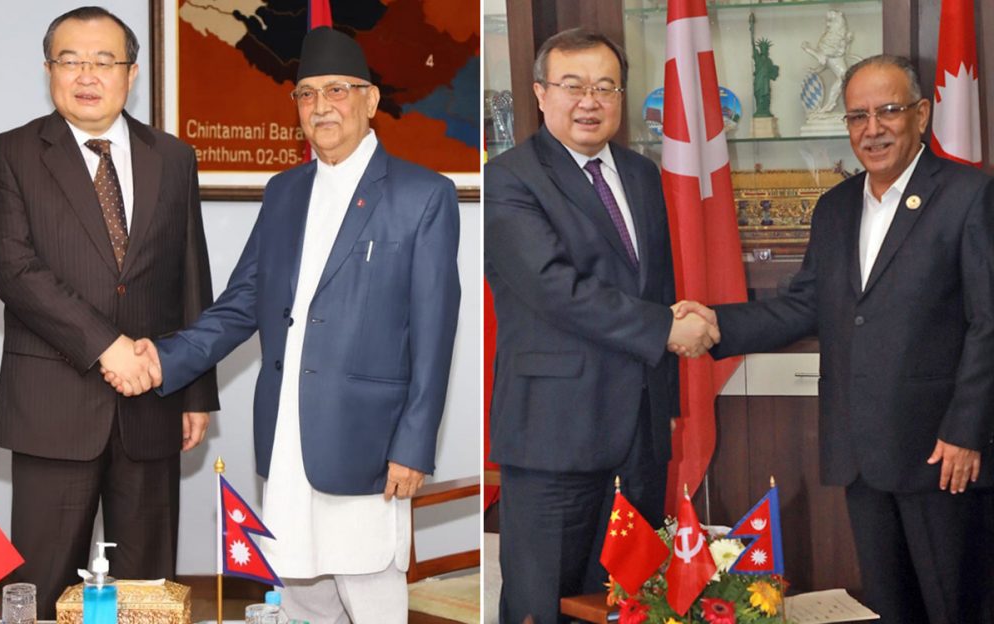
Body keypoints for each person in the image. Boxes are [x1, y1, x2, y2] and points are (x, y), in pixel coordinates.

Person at [107, 27, 460, 624]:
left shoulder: (422, 195)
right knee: (299, 591)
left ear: (371, 101)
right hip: (288, 433)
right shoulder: (284, 191)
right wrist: (164, 359)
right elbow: (242, 302)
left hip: (368, 441)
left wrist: (414, 445)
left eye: (338, 91)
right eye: (306, 94)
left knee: (369, 587)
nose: (321, 106)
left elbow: (434, 332)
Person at [676, 54, 994, 623]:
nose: (872, 129)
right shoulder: (836, 207)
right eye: (857, 116)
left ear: (921, 114)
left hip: (942, 453)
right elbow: (805, 305)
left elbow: (988, 322)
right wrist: (716, 324)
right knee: (890, 604)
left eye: (888, 111)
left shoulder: (970, 195)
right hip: (860, 452)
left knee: (956, 605)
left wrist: (965, 432)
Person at [0, 6, 218, 618]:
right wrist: (108, 347)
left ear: (130, 73)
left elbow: (191, 274)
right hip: (53, 407)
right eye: (71, 59)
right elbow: (14, 272)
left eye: (104, 60)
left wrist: (195, 391)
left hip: (154, 403)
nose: (87, 74)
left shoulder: (173, 156)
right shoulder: (9, 154)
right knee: (42, 583)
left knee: (145, 591)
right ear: (49, 69)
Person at [484, 28, 719, 624]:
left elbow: (655, 287)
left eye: (605, 86)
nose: (589, 100)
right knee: (545, 604)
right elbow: (555, 289)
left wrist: (663, 400)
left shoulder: (641, 175)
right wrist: (667, 330)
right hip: (553, 437)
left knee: (625, 601)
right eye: (572, 86)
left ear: (620, 95)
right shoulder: (509, 179)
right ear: (540, 94)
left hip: (636, 437)